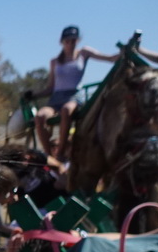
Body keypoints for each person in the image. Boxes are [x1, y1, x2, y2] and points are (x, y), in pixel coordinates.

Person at [27, 26, 118, 162]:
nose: (70, 44)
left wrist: (127, 50)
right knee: (39, 117)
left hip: (74, 96)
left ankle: (61, 153)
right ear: (62, 42)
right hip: (56, 98)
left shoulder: (83, 53)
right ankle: (48, 156)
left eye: (73, 41)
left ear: (77, 41)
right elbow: (50, 88)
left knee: (66, 110)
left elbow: (110, 58)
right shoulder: (55, 62)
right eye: (67, 41)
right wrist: (34, 94)